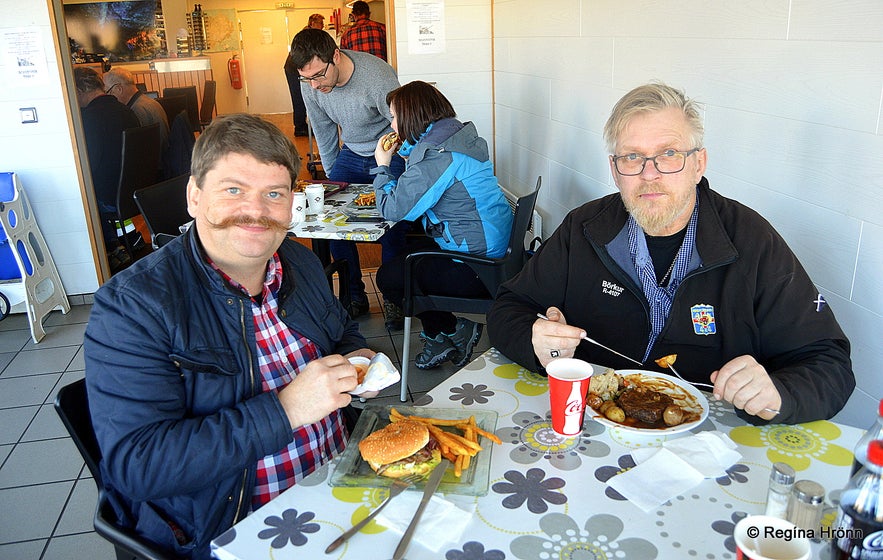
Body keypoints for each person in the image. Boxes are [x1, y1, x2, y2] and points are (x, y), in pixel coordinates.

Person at [84, 114, 374, 559]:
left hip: (342, 486)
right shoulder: (131, 307)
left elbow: (342, 333)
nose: (255, 211)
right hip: (235, 527)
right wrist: (288, 408)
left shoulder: (301, 263)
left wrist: (358, 358)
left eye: (273, 194)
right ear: (194, 197)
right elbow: (138, 466)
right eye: (234, 189)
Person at [487, 82, 855, 426]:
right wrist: (533, 339)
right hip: (594, 430)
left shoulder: (752, 241)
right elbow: (508, 309)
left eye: (669, 154)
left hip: (711, 449)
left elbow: (829, 363)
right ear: (616, 171)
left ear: (699, 164)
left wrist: (781, 393)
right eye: (632, 157)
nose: (650, 174)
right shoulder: (583, 228)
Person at [373, 81, 512, 368]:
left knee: (389, 277)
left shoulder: (438, 155)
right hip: (497, 253)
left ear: (412, 116)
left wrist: (382, 166)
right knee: (409, 248)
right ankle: (446, 332)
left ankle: (450, 331)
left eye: (394, 116)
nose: (392, 123)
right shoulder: (455, 137)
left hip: (477, 267)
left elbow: (393, 208)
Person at [288, 27, 409, 321]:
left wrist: (400, 168)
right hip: (352, 152)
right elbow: (324, 130)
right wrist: (334, 182)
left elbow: (402, 126)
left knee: (392, 219)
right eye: (307, 78)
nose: (314, 85)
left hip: (388, 148)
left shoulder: (377, 77)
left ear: (336, 57)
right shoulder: (311, 84)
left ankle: (394, 296)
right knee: (331, 219)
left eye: (318, 75)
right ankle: (353, 294)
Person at [74, 66, 141, 271]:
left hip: (110, 197)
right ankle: (124, 241)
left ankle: (112, 248)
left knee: (81, 195)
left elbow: (89, 165)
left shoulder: (88, 120)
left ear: (78, 90)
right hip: (133, 192)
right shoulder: (127, 111)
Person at [102, 66, 169, 175]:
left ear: (119, 89)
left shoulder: (136, 111)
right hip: (163, 165)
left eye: (107, 92)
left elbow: (138, 155)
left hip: (154, 173)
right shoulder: (148, 101)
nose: (107, 97)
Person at [283, 14, 325, 137]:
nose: (322, 26)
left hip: (296, 67)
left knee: (302, 96)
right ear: (312, 23)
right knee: (299, 97)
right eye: (320, 23)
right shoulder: (308, 36)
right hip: (293, 69)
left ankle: (302, 125)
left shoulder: (310, 34)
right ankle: (300, 128)